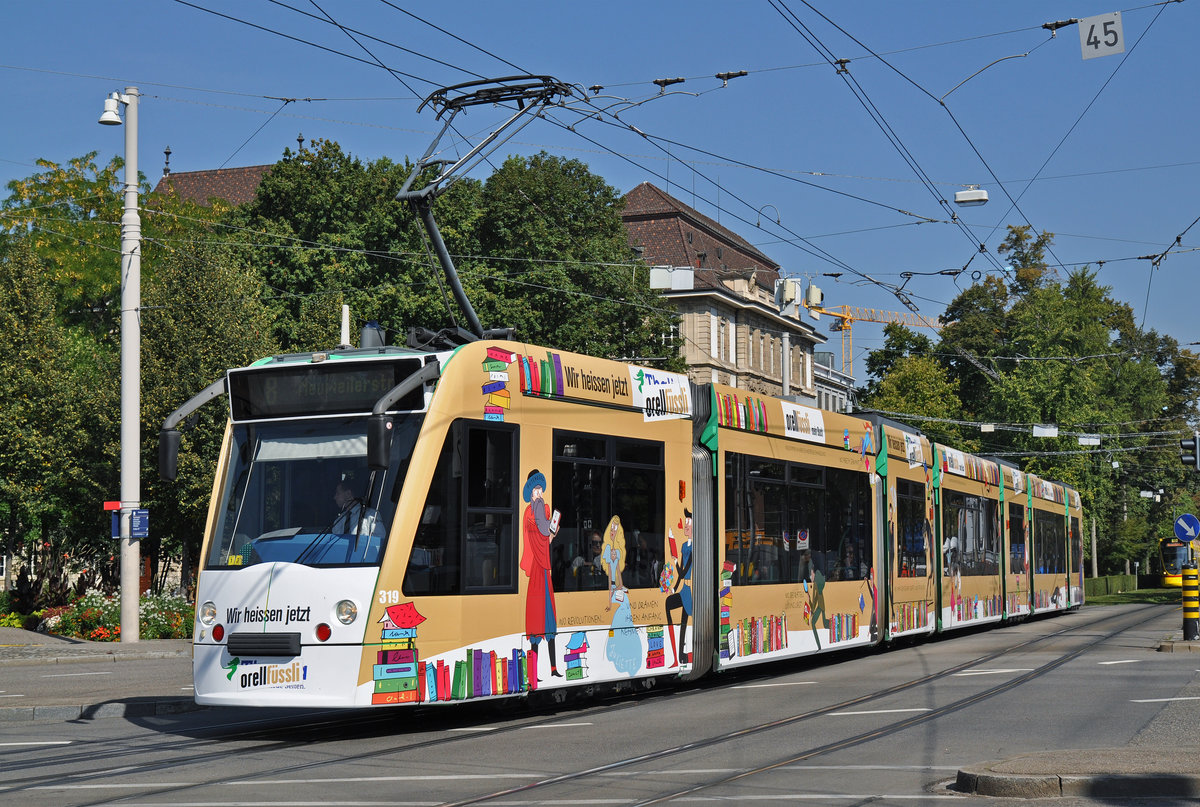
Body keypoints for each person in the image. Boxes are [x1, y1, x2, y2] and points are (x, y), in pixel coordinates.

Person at [520, 469, 562, 681]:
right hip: (537, 570)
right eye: (535, 489)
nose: (539, 492)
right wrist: (548, 528)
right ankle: (534, 672)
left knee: (549, 620)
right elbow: (540, 533)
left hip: (544, 570)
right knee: (537, 623)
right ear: (530, 491)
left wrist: (551, 531)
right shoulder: (531, 512)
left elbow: (546, 537)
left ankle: (553, 668)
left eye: (540, 488)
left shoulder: (542, 509)